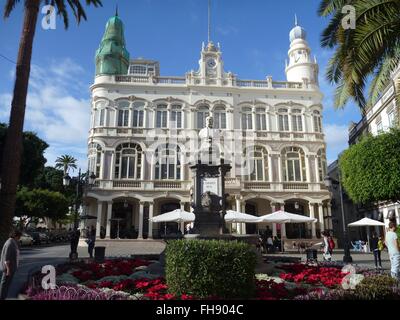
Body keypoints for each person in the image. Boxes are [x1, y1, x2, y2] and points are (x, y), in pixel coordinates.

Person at [0, 230, 22, 300]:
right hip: (8, 268)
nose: (19, 238)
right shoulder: (10, 243)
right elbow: (7, 258)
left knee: (6, 284)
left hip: (11, 268)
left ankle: (3, 297)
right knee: (4, 284)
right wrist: (8, 269)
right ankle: (2, 297)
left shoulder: (13, 242)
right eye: (19, 237)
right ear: (15, 236)